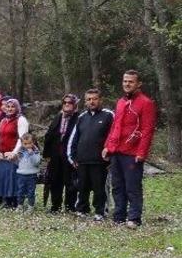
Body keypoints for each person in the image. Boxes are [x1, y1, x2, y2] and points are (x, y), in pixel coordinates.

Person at [105, 70, 157, 227]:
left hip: (132, 153)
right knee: (117, 186)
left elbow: (147, 130)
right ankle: (119, 216)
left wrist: (141, 152)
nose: (127, 84)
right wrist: (107, 146)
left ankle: (134, 218)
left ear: (138, 84)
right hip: (116, 151)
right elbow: (115, 126)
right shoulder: (121, 102)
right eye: (125, 81)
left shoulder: (146, 103)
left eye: (131, 81)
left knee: (132, 186)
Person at [66, 88, 113, 220]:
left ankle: (100, 212)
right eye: (89, 99)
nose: (91, 102)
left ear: (100, 100)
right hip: (82, 160)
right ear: (85, 102)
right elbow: (74, 138)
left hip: (100, 161)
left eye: (94, 99)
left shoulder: (108, 115)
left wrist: (110, 156)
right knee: (82, 187)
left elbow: (113, 136)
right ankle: (82, 209)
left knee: (100, 188)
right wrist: (72, 157)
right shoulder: (82, 117)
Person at [42, 94, 79, 212]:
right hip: (55, 156)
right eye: (65, 102)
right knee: (55, 181)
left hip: (69, 156)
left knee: (70, 182)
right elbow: (49, 136)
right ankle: (55, 206)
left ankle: (70, 207)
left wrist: (76, 157)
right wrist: (47, 155)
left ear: (75, 105)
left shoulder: (79, 118)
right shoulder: (58, 117)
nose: (67, 104)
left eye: (70, 102)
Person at [0, 97, 29, 209]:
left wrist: (14, 152)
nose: (10, 109)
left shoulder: (21, 120)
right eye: (8, 106)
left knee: (14, 179)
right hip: (3, 155)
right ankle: (6, 201)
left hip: (14, 156)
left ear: (17, 108)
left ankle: (16, 203)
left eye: (13, 107)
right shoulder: (3, 120)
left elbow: (22, 138)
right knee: (4, 178)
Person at [15, 132, 42, 212]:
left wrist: (32, 154)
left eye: (30, 143)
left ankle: (30, 206)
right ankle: (20, 205)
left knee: (31, 192)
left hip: (31, 175)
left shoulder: (36, 152)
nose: (28, 146)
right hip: (21, 175)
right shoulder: (20, 152)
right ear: (22, 144)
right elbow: (17, 163)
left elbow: (36, 162)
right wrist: (12, 159)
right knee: (20, 191)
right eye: (25, 144)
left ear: (33, 142)